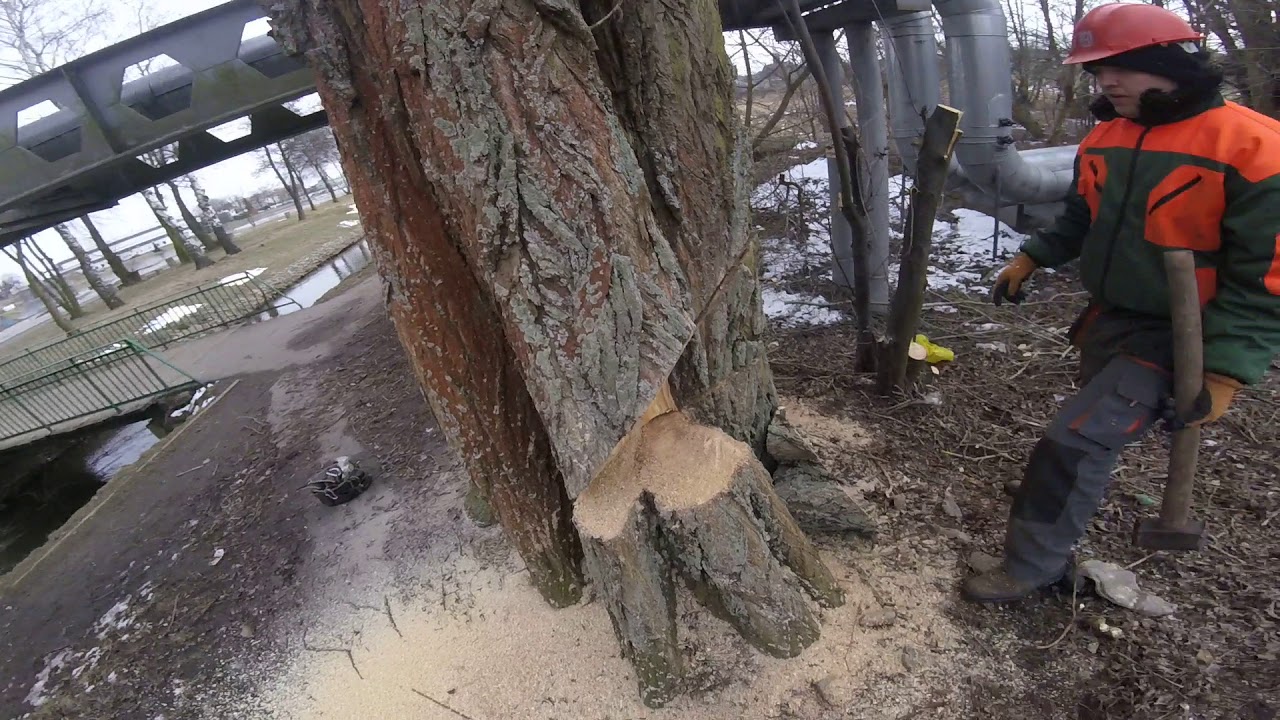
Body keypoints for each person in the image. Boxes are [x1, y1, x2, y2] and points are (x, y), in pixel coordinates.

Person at [963, 3, 1280, 603]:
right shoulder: (1108, 135)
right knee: (1085, 446)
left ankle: (1031, 569)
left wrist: (1225, 372)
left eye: (1122, 67)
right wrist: (1032, 258)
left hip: (1183, 336)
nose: (1106, 81)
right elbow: (1083, 214)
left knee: (1073, 443)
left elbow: (1267, 277)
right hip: (1111, 322)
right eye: (1096, 70)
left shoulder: (1255, 147)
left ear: (1171, 64)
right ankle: (1047, 551)